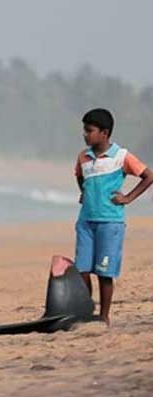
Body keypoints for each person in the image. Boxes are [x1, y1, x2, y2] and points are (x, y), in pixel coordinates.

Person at [74, 108, 153, 324]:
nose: (85, 134)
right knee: (81, 269)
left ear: (104, 133)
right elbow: (80, 176)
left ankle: (104, 316)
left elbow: (148, 176)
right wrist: (84, 192)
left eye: (89, 130)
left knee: (104, 272)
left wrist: (128, 197)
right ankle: (87, 311)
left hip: (110, 222)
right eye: (84, 130)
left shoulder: (121, 156)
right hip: (86, 222)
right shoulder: (83, 156)